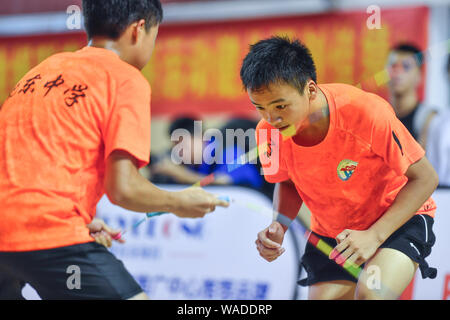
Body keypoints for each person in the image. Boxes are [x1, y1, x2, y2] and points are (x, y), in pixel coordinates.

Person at [0, 0, 228, 300]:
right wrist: (179, 203)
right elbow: (124, 189)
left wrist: (80, 218)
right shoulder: (125, 77)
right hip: (48, 233)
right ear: (139, 29)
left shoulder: (40, 72)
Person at [241, 36, 439, 300]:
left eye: (280, 106)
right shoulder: (267, 132)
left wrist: (374, 236)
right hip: (334, 232)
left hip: (396, 220)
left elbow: (426, 178)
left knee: (371, 293)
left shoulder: (366, 112)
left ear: (310, 90)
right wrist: (279, 225)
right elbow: (287, 183)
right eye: (260, 108)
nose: (271, 118)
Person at [387, 43, 439, 147]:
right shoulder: (379, 115)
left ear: (419, 76)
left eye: (406, 67)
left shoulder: (428, 120)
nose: (398, 71)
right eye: (393, 66)